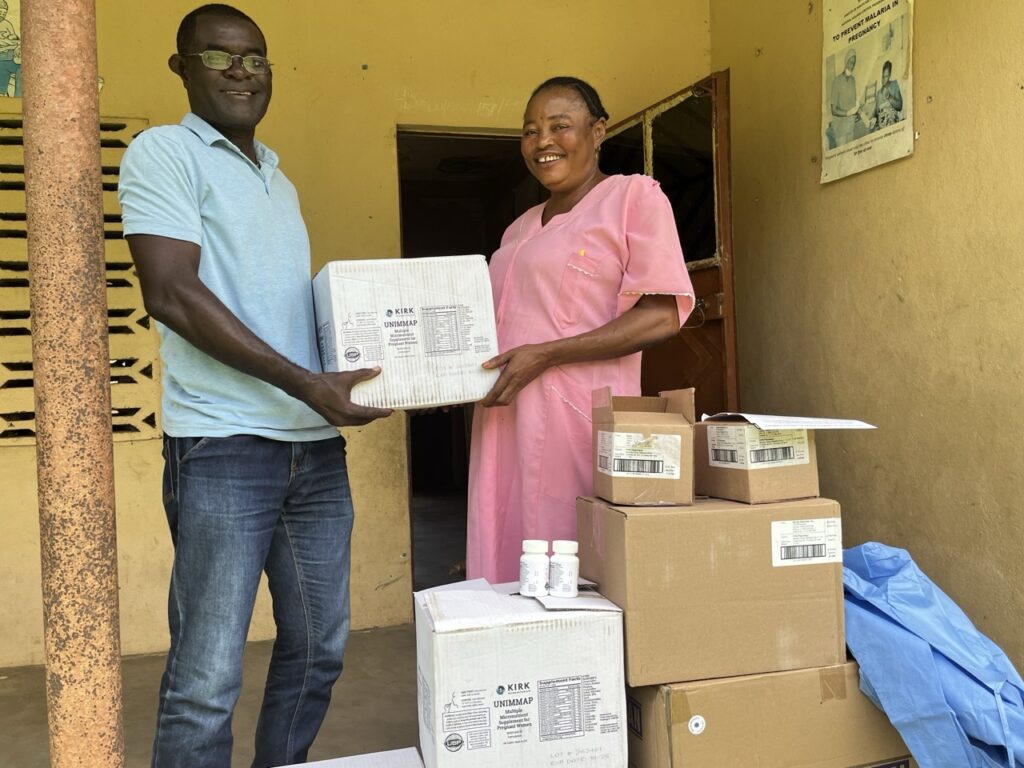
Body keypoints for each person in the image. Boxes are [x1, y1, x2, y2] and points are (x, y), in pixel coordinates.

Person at [116, 5, 391, 767]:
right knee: (206, 678)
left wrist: (383, 357)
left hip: (314, 450)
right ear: (182, 68)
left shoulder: (278, 178)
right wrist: (309, 383)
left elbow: (282, 307)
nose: (241, 72)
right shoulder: (164, 153)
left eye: (255, 58)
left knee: (318, 651)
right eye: (218, 57)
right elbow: (171, 292)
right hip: (223, 446)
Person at [465, 76, 695, 584]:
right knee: (505, 543)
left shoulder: (632, 197)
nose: (542, 141)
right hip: (504, 415)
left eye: (559, 126)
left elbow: (661, 314)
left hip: (578, 417)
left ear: (598, 131)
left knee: (569, 552)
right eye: (530, 130)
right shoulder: (519, 227)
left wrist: (547, 354)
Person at [830, 48, 860, 147]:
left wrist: (859, 111)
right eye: (850, 62)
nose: (852, 66)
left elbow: (854, 102)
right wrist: (847, 113)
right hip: (840, 126)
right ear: (846, 61)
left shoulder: (853, 80)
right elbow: (833, 110)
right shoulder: (837, 81)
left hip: (850, 124)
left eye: (854, 63)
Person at [871, 60, 903, 129]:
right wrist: (874, 118)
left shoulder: (894, 85)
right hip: (881, 123)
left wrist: (889, 97)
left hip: (891, 121)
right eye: (883, 76)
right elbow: (876, 112)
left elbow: (900, 106)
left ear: (889, 75)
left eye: (886, 76)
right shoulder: (878, 93)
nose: (883, 79)